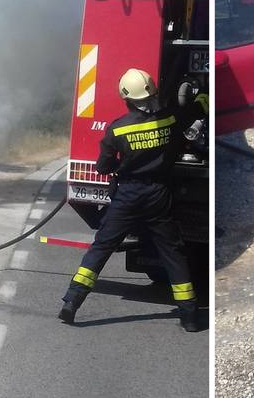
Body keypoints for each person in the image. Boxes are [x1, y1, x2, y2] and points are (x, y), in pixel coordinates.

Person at [58, 68, 204, 332]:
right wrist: (203, 95)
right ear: (153, 92)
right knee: (173, 253)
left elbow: (103, 167)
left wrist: (119, 163)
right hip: (159, 195)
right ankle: (190, 317)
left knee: (101, 248)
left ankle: (71, 302)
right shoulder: (170, 120)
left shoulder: (117, 130)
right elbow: (193, 114)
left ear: (126, 98)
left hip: (127, 196)